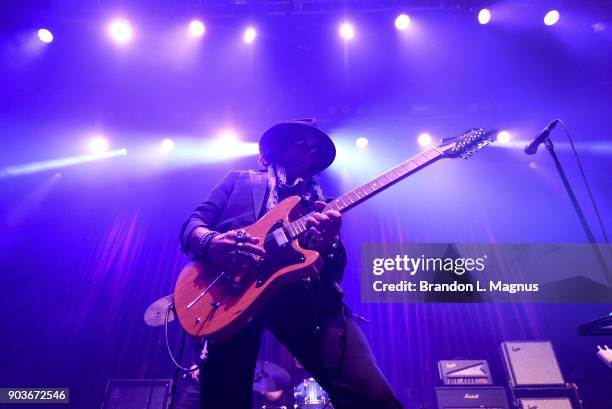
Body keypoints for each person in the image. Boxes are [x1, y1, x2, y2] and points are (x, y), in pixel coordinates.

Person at [179, 118, 402, 409]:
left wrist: (328, 245)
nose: (308, 148)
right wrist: (211, 242)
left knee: (372, 395)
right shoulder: (241, 180)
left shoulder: (321, 204)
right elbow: (192, 224)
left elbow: (335, 270)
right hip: (233, 295)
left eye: (315, 147)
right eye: (299, 141)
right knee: (224, 399)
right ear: (277, 148)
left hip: (306, 302)